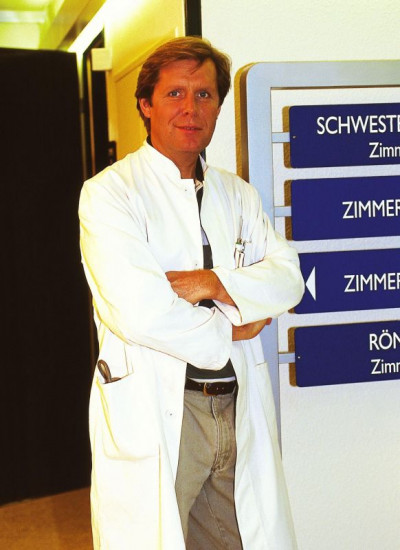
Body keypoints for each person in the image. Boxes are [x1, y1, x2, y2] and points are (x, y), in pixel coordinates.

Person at [79, 36, 304, 550]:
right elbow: (141, 313)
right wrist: (235, 322)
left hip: (235, 403)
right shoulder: (110, 194)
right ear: (146, 104)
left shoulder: (238, 194)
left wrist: (213, 283)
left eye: (204, 95)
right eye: (175, 93)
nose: (191, 108)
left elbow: (288, 277)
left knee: (238, 538)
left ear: (219, 106)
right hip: (161, 406)